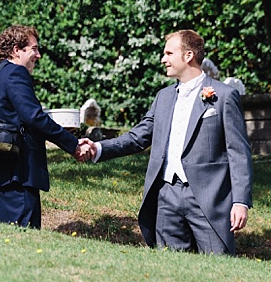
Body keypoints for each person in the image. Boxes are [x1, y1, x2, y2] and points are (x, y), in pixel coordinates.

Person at [76, 29, 253, 254]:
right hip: (165, 196)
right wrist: (98, 147)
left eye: (169, 53)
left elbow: (238, 152)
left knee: (219, 267)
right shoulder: (163, 97)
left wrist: (240, 201)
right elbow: (137, 137)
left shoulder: (223, 96)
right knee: (171, 269)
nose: (163, 59)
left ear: (188, 55)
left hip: (209, 198)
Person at [0, 25, 80, 228]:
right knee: (24, 241)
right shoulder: (16, 73)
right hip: (17, 176)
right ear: (16, 50)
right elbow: (34, 117)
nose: (38, 55)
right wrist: (73, 144)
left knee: (8, 243)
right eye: (34, 49)